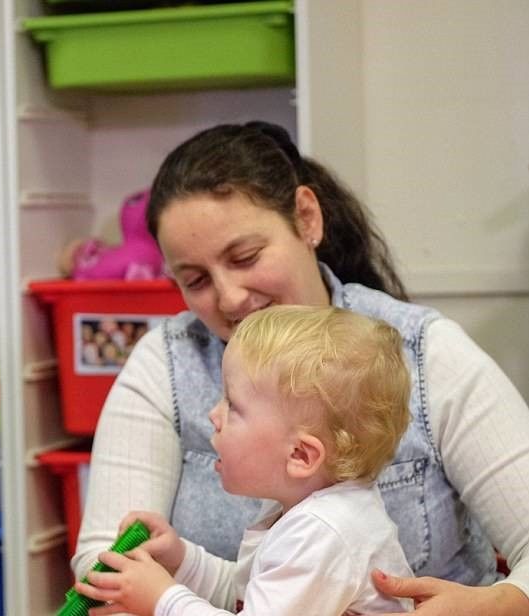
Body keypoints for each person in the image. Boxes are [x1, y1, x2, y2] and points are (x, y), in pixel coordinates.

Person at [74, 121, 529, 615]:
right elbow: (226, 586)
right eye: (196, 279)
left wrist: (498, 603)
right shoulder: (166, 365)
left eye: (245, 256)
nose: (229, 297)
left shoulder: (420, 353)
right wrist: (180, 563)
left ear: (307, 219)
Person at [75, 305, 414, 615]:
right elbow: (248, 594)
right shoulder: (302, 511)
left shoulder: (322, 533)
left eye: (232, 406)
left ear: (300, 455)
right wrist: (181, 560)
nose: (213, 415)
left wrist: (163, 600)